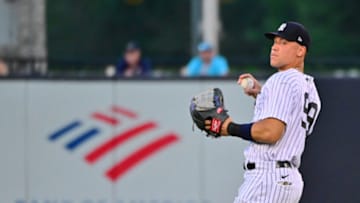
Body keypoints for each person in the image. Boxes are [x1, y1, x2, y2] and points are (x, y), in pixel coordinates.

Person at [207, 22, 321, 202]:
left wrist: (229, 127)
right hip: (288, 180)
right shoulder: (309, 87)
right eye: (274, 42)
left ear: (300, 51)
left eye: (284, 43)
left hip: (268, 177)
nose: (275, 48)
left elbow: (270, 132)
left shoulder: (281, 80)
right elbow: (290, 122)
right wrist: (262, 94)